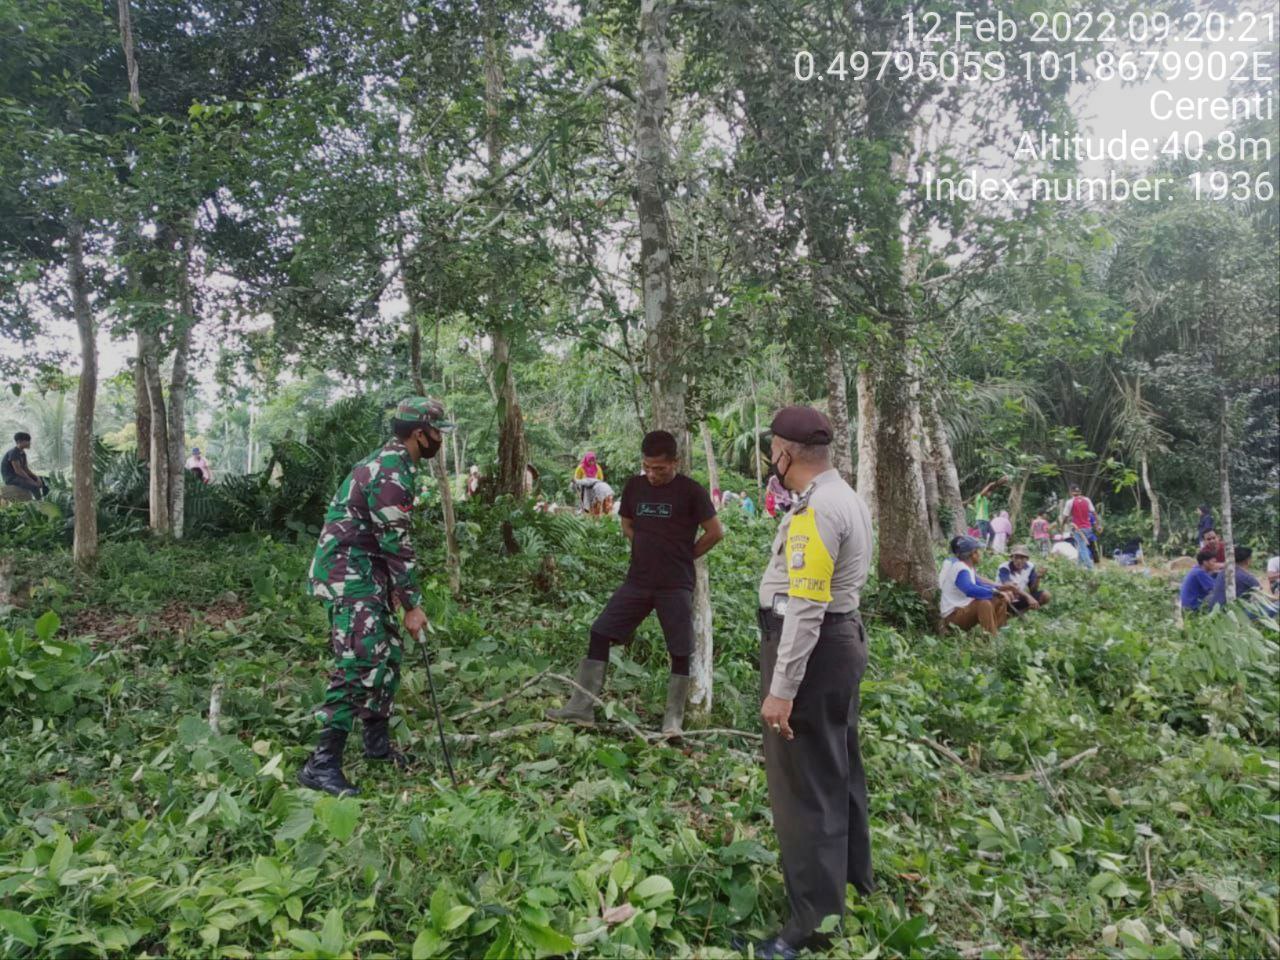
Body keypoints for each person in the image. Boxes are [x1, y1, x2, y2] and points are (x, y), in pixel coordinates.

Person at [751, 406, 875, 958]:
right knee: (837, 766)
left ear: (786, 453)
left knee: (805, 791)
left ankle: (811, 926)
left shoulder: (818, 509)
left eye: (772, 450)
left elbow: (805, 606)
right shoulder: (841, 494)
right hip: (839, 642)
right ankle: (850, 881)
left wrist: (782, 687)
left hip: (813, 647)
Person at [298, 397, 454, 797]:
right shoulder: (390, 472)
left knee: (387, 656)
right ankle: (321, 764)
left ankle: (377, 748)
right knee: (358, 660)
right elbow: (395, 542)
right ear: (420, 434)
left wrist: (400, 600)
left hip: (370, 574)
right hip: (349, 574)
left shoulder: (396, 463)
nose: (440, 440)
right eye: (437, 432)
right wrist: (412, 604)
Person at [548, 430, 723, 736]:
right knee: (600, 631)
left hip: (675, 584)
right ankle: (581, 708)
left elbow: (715, 532)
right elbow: (627, 522)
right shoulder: (635, 486)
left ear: (675, 462)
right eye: (648, 467)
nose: (653, 474)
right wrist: (642, 543)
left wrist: (684, 555)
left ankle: (673, 721)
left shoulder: (691, 491)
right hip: (638, 582)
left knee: (680, 649)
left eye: (660, 469)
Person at [939, 535, 1015, 635]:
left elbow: (979, 584)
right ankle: (990, 637)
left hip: (962, 610)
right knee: (983, 604)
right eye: (978, 551)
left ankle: (997, 629)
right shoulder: (961, 569)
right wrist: (995, 592)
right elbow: (970, 589)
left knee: (999, 599)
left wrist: (999, 590)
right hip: (953, 616)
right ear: (972, 554)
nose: (980, 554)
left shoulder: (968, 568)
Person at [1205, 546, 1271, 614]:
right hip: (1230, 613)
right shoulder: (1247, 577)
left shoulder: (1224, 571)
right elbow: (1266, 597)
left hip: (1215, 611)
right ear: (1247, 560)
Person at [997, 546, 1051, 613]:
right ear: (1011, 558)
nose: (1019, 560)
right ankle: (1004, 614)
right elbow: (1009, 586)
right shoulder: (1004, 567)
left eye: (1022, 558)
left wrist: (1038, 578)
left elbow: (1033, 590)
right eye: (1016, 557)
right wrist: (1028, 597)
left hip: (1019, 597)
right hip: (1004, 597)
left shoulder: (1030, 567)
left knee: (1045, 595)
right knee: (1009, 593)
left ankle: (1019, 612)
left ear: (1027, 559)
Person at [1, 432, 48, 500]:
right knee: (34, 486)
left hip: (19, 476)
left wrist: (36, 477)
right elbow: (18, 470)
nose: (29, 443)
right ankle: (40, 503)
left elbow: (26, 469)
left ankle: (47, 500)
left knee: (44, 480)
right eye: (27, 441)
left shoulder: (22, 453)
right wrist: (32, 481)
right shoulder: (13, 452)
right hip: (11, 478)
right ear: (19, 441)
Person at [1179, 548, 1221, 614]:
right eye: (1213, 562)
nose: (1215, 564)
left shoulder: (1196, 569)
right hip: (1193, 607)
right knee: (1220, 595)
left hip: (1186, 607)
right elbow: (1216, 588)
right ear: (1205, 562)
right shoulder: (1199, 572)